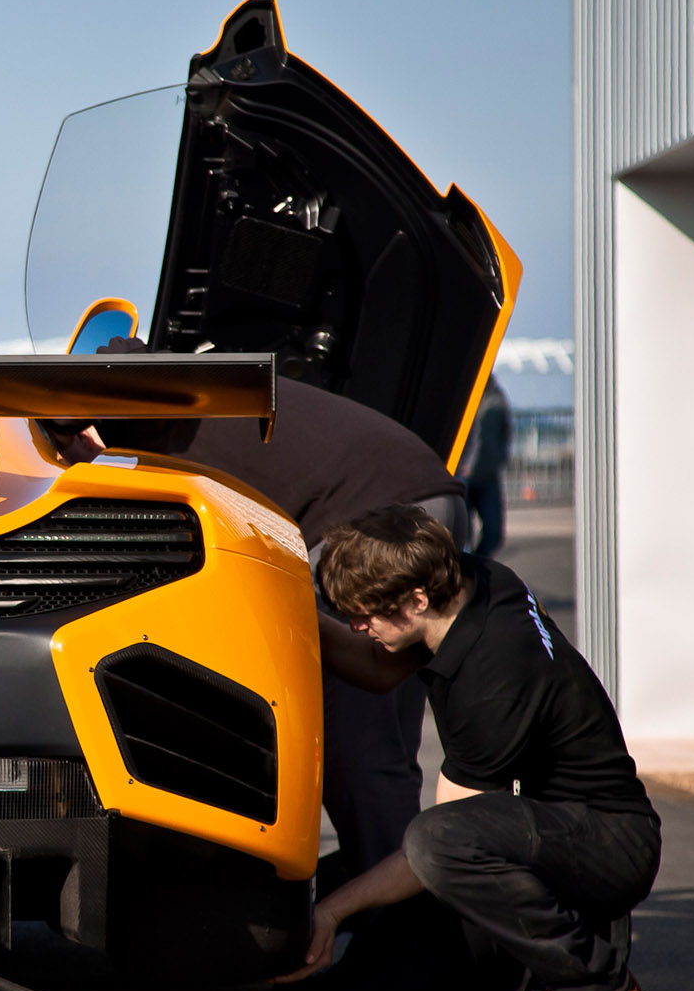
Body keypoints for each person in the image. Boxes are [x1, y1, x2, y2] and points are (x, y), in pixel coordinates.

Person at [84, 353, 466, 889]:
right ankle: (393, 887)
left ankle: (400, 929)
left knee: (356, 749)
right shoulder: (198, 395)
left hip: (371, 520)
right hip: (420, 496)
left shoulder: (144, 418)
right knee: (382, 746)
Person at [284, 505, 662, 991]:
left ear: (416, 601)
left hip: (607, 844)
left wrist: (334, 910)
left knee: (435, 838)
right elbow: (374, 667)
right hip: (544, 831)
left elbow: (437, 847)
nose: (357, 627)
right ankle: (520, 962)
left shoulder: (489, 681)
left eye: (365, 615)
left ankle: (596, 986)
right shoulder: (472, 581)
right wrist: (294, 615)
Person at [460, 376, 512, 557]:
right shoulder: (461, 395)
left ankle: (478, 567)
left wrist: (500, 460)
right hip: (462, 477)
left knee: (494, 532)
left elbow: (506, 433)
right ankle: (466, 571)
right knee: (461, 534)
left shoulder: (496, 397)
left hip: (489, 475)